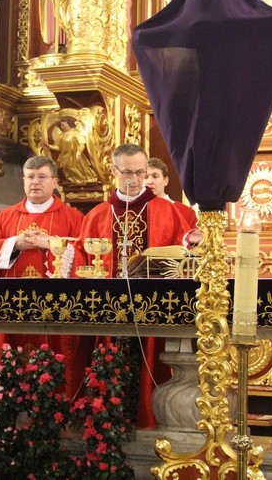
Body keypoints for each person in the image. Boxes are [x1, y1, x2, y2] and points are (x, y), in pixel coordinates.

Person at [74, 143, 190, 428]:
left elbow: (184, 259)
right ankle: (104, 427)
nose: (136, 179)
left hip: (153, 314)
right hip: (107, 314)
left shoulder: (167, 211)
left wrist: (191, 244)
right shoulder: (98, 215)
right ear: (114, 171)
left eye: (141, 172)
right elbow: (81, 261)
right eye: (128, 172)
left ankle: (150, 423)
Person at [0, 155, 87, 396]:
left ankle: (55, 406)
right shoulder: (6, 216)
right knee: (11, 359)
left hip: (55, 307)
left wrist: (52, 245)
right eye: (30, 177)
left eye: (42, 177)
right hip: (12, 306)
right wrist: (15, 243)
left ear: (55, 181)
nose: (35, 182)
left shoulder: (73, 217)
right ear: (24, 181)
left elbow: (86, 255)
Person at [42, 118, 98, 184]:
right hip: (65, 157)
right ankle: (76, 180)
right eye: (61, 126)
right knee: (68, 169)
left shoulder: (76, 133)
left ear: (68, 124)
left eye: (63, 125)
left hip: (76, 156)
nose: (62, 127)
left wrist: (78, 152)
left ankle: (84, 179)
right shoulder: (62, 136)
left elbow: (82, 144)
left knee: (83, 170)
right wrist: (49, 146)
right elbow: (58, 147)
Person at [145, 157, 197, 228]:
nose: (150, 181)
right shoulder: (133, 212)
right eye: (145, 177)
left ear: (166, 180)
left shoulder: (185, 213)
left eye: (155, 176)